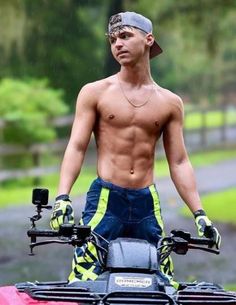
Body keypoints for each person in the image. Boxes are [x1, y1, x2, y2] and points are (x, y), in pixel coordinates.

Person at [50, 11, 221, 286]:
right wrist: (62, 198)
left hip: (146, 202)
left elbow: (178, 161)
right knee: (84, 280)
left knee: (161, 283)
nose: (117, 44)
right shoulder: (95, 92)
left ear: (149, 40)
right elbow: (77, 147)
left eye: (126, 36)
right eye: (113, 39)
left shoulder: (170, 102)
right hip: (106, 198)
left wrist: (200, 214)